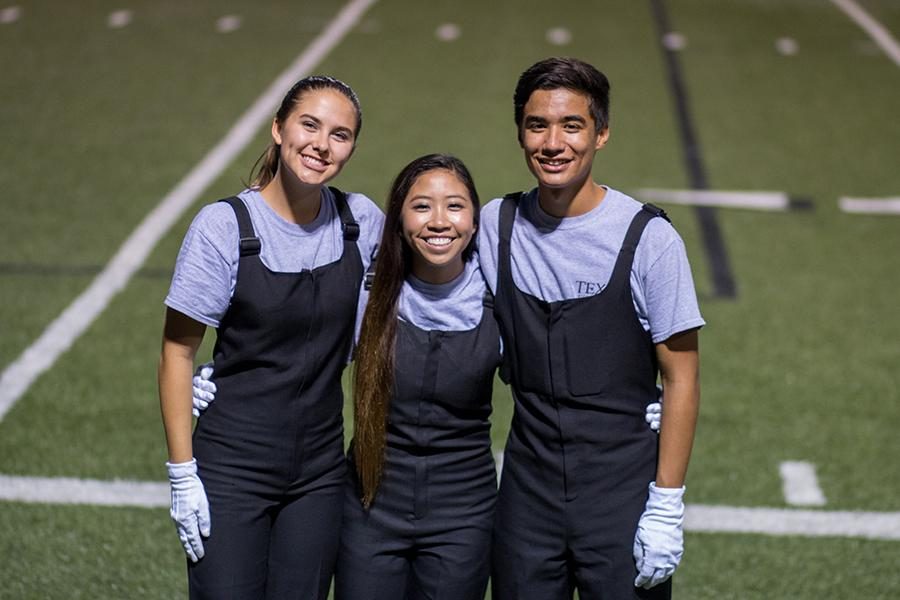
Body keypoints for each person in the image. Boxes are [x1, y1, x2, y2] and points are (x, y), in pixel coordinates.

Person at [478, 57, 704, 599]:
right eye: (537, 125)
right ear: (520, 133)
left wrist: (666, 505)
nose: (553, 143)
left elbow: (682, 379)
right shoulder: (494, 225)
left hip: (621, 495)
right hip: (526, 498)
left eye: (571, 125)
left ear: (601, 133)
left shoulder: (649, 239)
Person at [157, 75, 384, 599]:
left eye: (340, 134)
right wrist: (182, 473)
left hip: (320, 473)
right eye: (309, 125)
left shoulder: (361, 222)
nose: (322, 144)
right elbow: (177, 351)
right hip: (233, 468)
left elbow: (420, 278)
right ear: (278, 129)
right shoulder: (223, 226)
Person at [334, 153, 498, 599]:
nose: (439, 221)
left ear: (476, 219)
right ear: (399, 219)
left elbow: (554, 371)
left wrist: (633, 400)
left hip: (463, 515)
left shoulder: (498, 293)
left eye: (455, 206)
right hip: (370, 509)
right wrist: (231, 378)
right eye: (422, 206)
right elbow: (303, 350)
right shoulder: (369, 291)